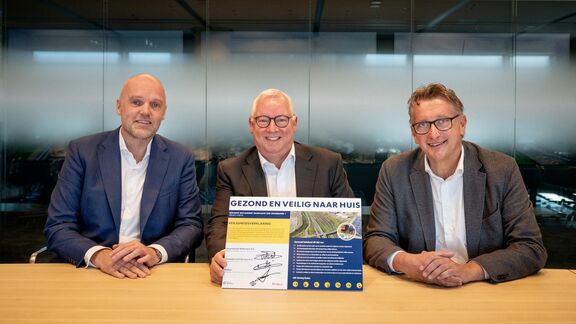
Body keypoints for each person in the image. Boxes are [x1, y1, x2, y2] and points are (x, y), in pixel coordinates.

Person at [364, 83, 547, 287]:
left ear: (462, 124)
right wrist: (409, 263)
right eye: (423, 125)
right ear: (414, 133)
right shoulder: (394, 171)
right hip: (418, 289)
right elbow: (376, 239)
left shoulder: (502, 170)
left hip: (484, 289)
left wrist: (468, 271)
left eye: (443, 121)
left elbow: (530, 246)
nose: (433, 134)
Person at [44, 74, 203, 279]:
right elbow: (58, 225)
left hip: (153, 273)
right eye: (136, 102)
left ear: (163, 113)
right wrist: (100, 256)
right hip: (93, 272)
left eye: (155, 105)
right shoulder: (82, 152)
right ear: (119, 107)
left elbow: (191, 225)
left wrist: (154, 252)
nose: (145, 111)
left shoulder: (180, 157)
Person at [205, 89, 354, 284]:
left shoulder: (328, 164)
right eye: (263, 120)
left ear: (294, 123)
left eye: (281, 120)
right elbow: (219, 225)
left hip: (314, 275)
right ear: (252, 125)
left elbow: (349, 223)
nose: (272, 129)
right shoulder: (231, 170)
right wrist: (220, 256)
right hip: (255, 277)